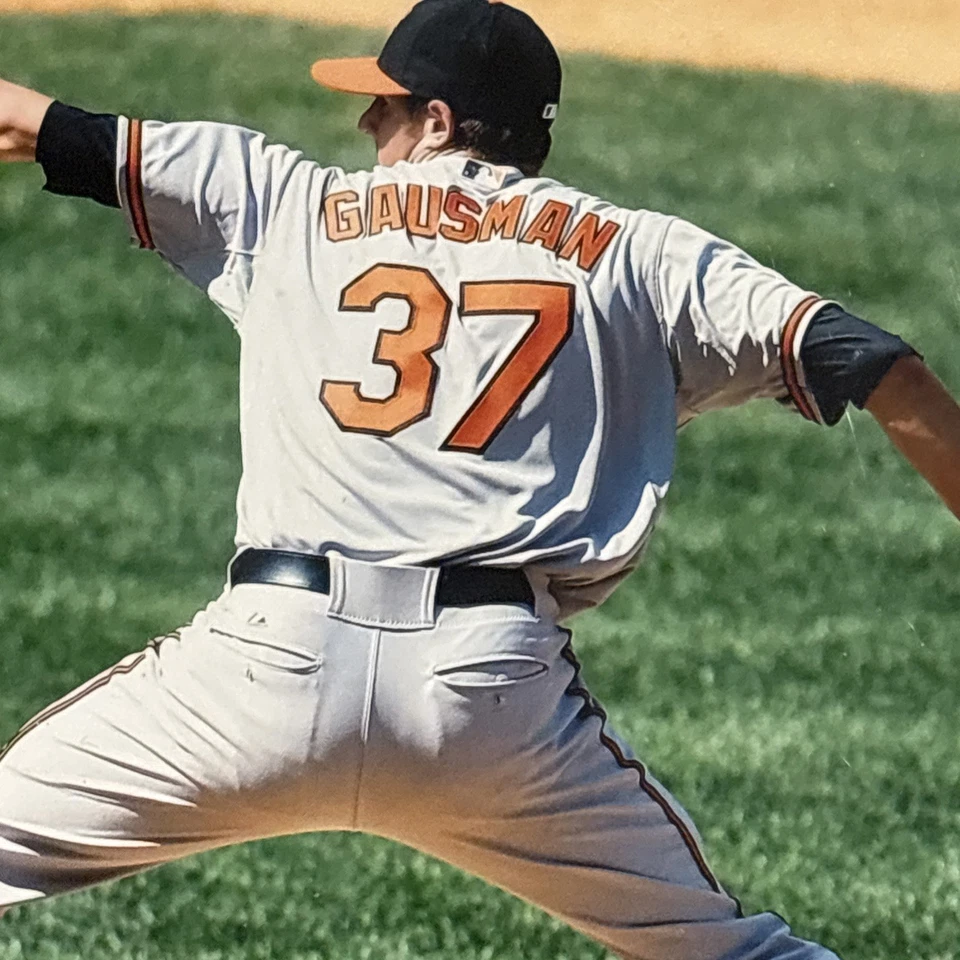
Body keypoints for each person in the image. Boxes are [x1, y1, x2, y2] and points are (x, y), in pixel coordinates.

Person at [0, 0, 957, 957]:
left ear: (441, 121)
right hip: (492, 701)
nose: (365, 123)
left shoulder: (276, 195)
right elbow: (872, 361)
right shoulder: (646, 254)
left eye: (386, 105)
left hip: (260, 674)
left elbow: (28, 121)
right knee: (733, 950)